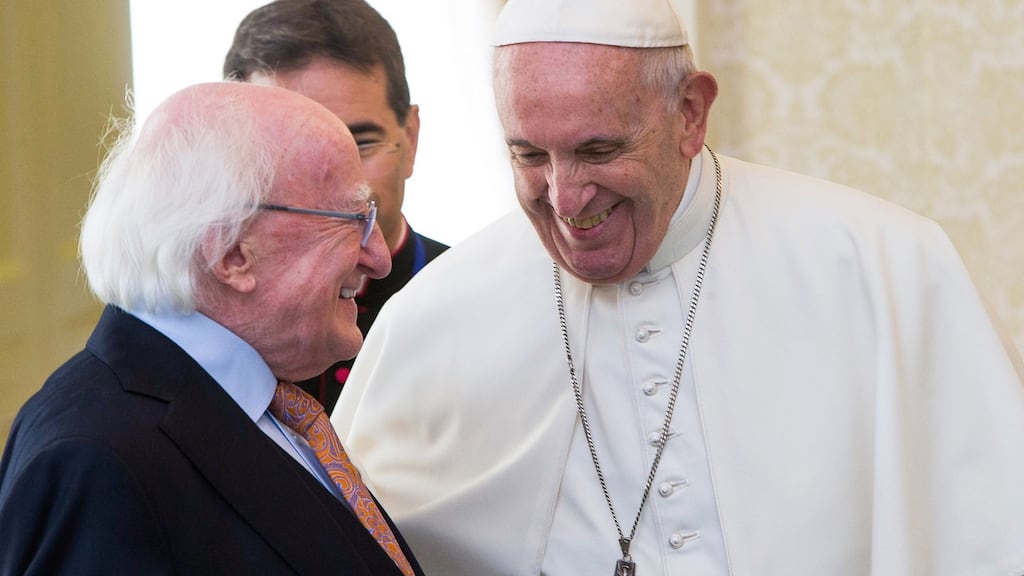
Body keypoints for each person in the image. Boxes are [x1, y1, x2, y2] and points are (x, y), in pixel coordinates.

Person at [331, 0, 1024, 574]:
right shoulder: (436, 316)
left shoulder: (881, 266)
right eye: (530, 154)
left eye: (599, 150)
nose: (566, 199)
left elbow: (991, 530)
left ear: (691, 113)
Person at [0, 82, 424, 575]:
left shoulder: (262, 403)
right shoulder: (97, 461)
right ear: (232, 254)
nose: (377, 258)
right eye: (351, 219)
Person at [223, 0, 448, 414]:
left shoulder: (485, 304)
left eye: (361, 143)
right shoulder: (208, 321)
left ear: (410, 140)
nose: (335, 185)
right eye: (289, 150)